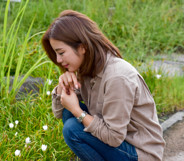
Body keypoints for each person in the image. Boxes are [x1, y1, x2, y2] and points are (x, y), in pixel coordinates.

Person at [41, 10, 165, 161]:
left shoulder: (117, 77)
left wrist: (77, 110)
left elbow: (113, 137)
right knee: (69, 115)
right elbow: (59, 113)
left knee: (73, 128)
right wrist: (63, 86)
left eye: (61, 53)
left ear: (82, 47)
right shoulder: (87, 68)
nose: (58, 60)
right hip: (119, 143)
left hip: (140, 152)